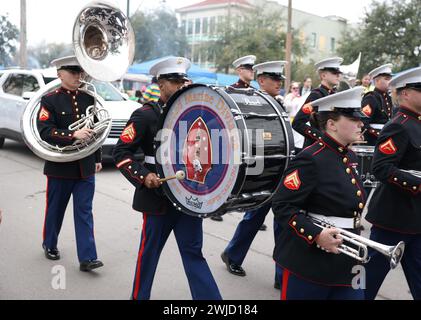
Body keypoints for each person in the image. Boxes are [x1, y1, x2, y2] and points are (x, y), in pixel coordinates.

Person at [113, 57, 222, 301]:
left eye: (183, 80)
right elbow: (122, 153)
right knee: (149, 253)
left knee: (194, 253)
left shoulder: (196, 114)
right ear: (161, 84)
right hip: (157, 198)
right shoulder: (144, 115)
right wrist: (143, 176)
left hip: (189, 197)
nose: (182, 85)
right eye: (175, 81)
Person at [272, 86, 367, 300]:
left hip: (350, 260)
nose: (361, 123)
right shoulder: (310, 158)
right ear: (331, 124)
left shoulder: (349, 156)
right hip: (311, 262)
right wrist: (316, 235)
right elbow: (282, 206)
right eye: (353, 119)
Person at [221, 61, 287, 289]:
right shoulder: (250, 102)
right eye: (274, 79)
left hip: (280, 167)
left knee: (283, 223)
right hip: (258, 170)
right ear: (261, 80)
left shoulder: (278, 104)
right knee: (254, 218)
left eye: (280, 79)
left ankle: (282, 276)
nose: (279, 83)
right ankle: (232, 255)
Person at [37, 56, 103, 272]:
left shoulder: (88, 98)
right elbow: (45, 131)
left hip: (84, 165)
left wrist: (97, 159)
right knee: (56, 209)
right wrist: (73, 134)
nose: (78, 76)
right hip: (60, 166)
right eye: (73, 72)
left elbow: (96, 131)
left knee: (85, 211)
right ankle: (50, 244)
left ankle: (87, 258)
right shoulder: (49, 100)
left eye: (80, 72)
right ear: (60, 73)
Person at [364, 67, 421, 300]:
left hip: (416, 216)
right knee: (369, 280)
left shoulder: (416, 123)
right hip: (394, 217)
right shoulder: (399, 124)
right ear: (405, 93)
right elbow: (381, 168)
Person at [292, 57, 343, 150]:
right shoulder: (316, 95)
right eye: (334, 73)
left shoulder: (333, 95)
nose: (338, 76)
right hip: (316, 148)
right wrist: (322, 138)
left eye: (338, 73)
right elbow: (297, 123)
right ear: (323, 75)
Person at [361, 64, 394, 145]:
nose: (390, 82)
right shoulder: (371, 98)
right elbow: (363, 122)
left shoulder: (388, 98)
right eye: (387, 79)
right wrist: (380, 135)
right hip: (374, 140)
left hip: (386, 137)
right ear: (376, 81)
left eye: (390, 79)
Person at [284, 82, 305, 152]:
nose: (296, 89)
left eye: (297, 88)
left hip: (298, 120)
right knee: (292, 136)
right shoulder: (288, 96)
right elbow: (287, 108)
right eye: (294, 88)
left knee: (299, 137)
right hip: (290, 119)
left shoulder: (300, 97)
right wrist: (291, 98)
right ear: (290, 89)